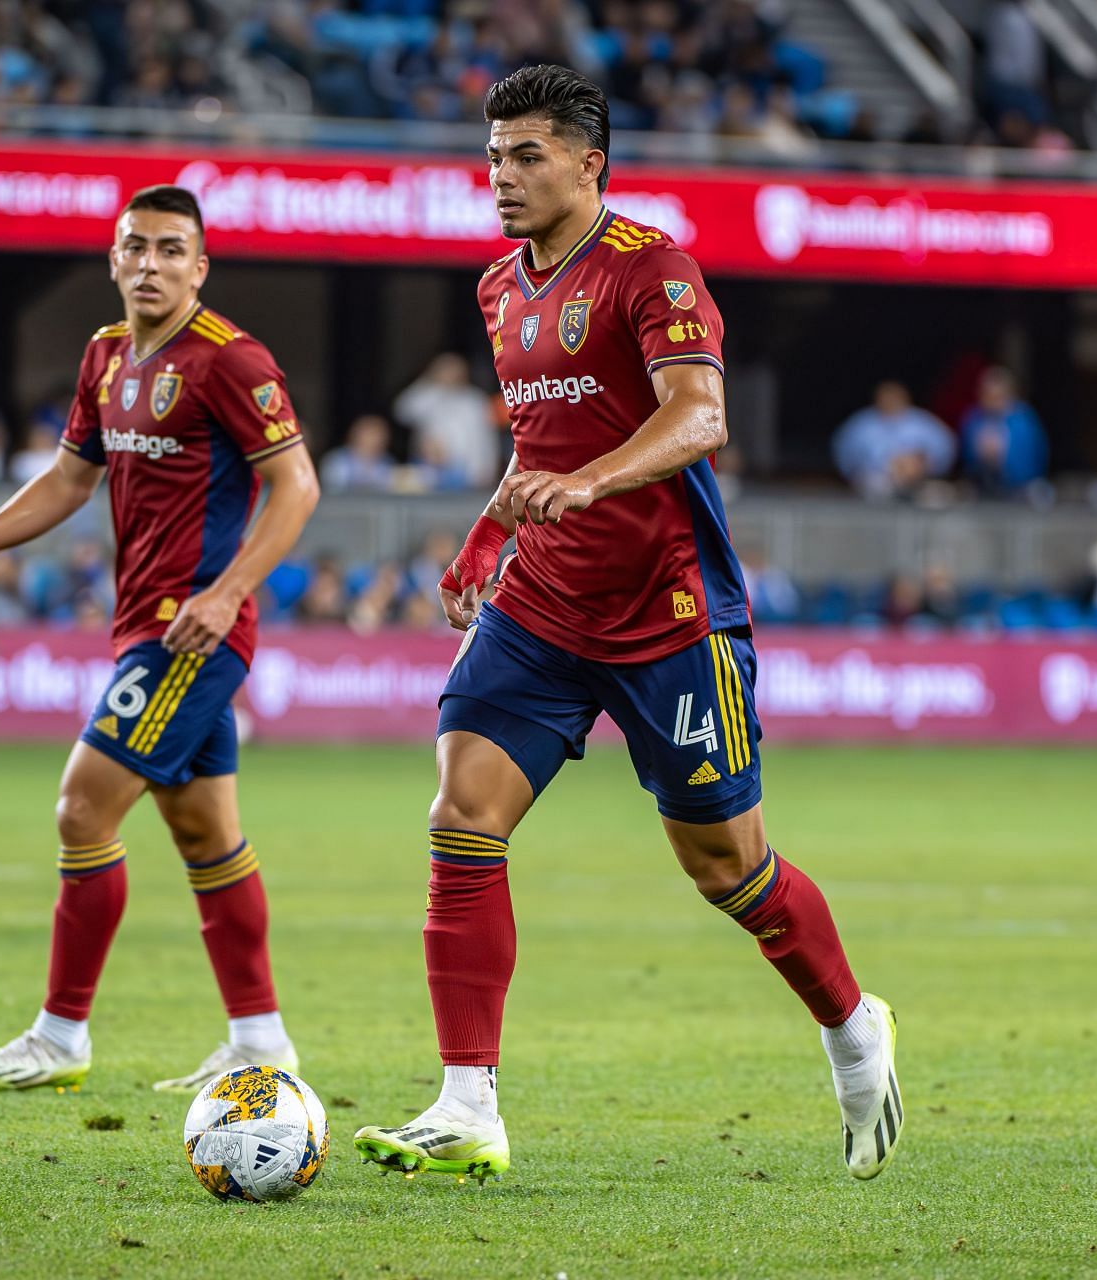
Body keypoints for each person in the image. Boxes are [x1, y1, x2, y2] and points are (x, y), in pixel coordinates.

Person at [351, 66, 899, 1185]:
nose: (500, 177)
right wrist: (480, 541)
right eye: (494, 154)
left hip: (671, 612)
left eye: (527, 156)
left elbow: (700, 416)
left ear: (589, 162)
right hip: (542, 603)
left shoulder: (655, 270)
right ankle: (467, 1104)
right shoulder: (499, 289)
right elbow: (537, 444)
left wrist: (596, 482)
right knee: (461, 811)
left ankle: (852, 1023)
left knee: (727, 868)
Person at [0, 185, 321, 1094]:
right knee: (206, 832)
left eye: (173, 250)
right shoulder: (103, 357)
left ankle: (60, 1035)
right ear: (113, 260)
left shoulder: (231, 361)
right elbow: (65, 481)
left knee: (82, 808)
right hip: (143, 622)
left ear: (200, 267)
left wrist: (228, 592)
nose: (150, 265)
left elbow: (296, 487)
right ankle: (260, 1040)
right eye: (135, 247)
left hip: (190, 635)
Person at [831, 380, 955, 499]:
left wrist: (920, 464)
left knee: (936, 494)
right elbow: (845, 457)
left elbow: (945, 451)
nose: (890, 401)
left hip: (919, 481)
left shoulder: (924, 423)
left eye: (894, 398)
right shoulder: (861, 424)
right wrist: (887, 465)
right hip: (876, 481)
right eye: (886, 397)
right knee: (877, 487)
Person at [394, 352, 501, 489]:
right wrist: (429, 378)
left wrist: (487, 470)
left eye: (454, 369)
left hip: (469, 475)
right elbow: (402, 410)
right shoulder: (428, 394)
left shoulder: (475, 400)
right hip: (430, 472)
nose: (450, 373)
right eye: (445, 369)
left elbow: (486, 439)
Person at [959, 367, 1047, 496]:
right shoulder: (973, 418)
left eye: (998, 397)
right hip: (983, 487)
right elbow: (966, 459)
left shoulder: (1023, 420)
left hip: (1020, 488)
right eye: (988, 396)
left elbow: (1035, 462)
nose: (993, 402)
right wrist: (980, 454)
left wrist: (1003, 456)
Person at [320, 413, 399, 492]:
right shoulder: (337, 460)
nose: (375, 439)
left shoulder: (387, 462)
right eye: (370, 433)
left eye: (380, 434)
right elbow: (332, 490)